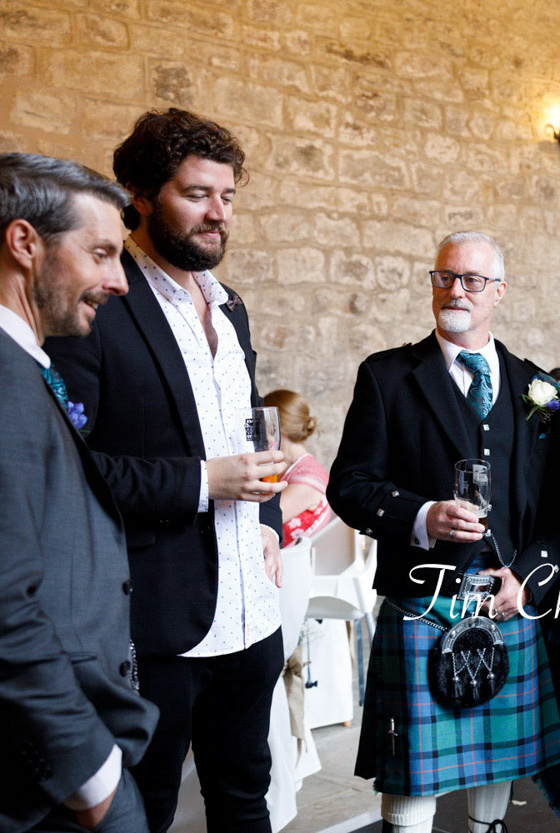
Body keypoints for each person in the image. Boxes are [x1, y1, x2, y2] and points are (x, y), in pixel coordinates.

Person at [44, 109, 287, 833]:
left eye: (228, 196)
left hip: (253, 611)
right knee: (139, 810)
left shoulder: (231, 307)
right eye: (196, 194)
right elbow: (75, 470)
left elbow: (250, 430)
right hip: (155, 621)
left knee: (247, 797)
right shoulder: (99, 308)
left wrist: (269, 518)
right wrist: (203, 482)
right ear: (140, 196)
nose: (218, 214)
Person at [327, 231, 560, 833]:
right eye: (444, 277)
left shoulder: (538, 390)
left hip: (506, 600)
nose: (456, 290)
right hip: (423, 598)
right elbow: (349, 484)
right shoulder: (387, 376)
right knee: (414, 772)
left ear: (498, 292)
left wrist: (527, 577)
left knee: (498, 758)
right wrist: (422, 515)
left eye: (472, 280)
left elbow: (558, 510)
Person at [0, 154, 159, 833]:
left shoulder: (27, 369)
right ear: (24, 243)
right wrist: (92, 774)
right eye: (99, 253)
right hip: (51, 775)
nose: (118, 281)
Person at [262, 388, 336, 546]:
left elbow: (261, 523)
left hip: (293, 567)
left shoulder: (308, 479)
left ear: (276, 428)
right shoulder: (286, 467)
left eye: (261, 425)